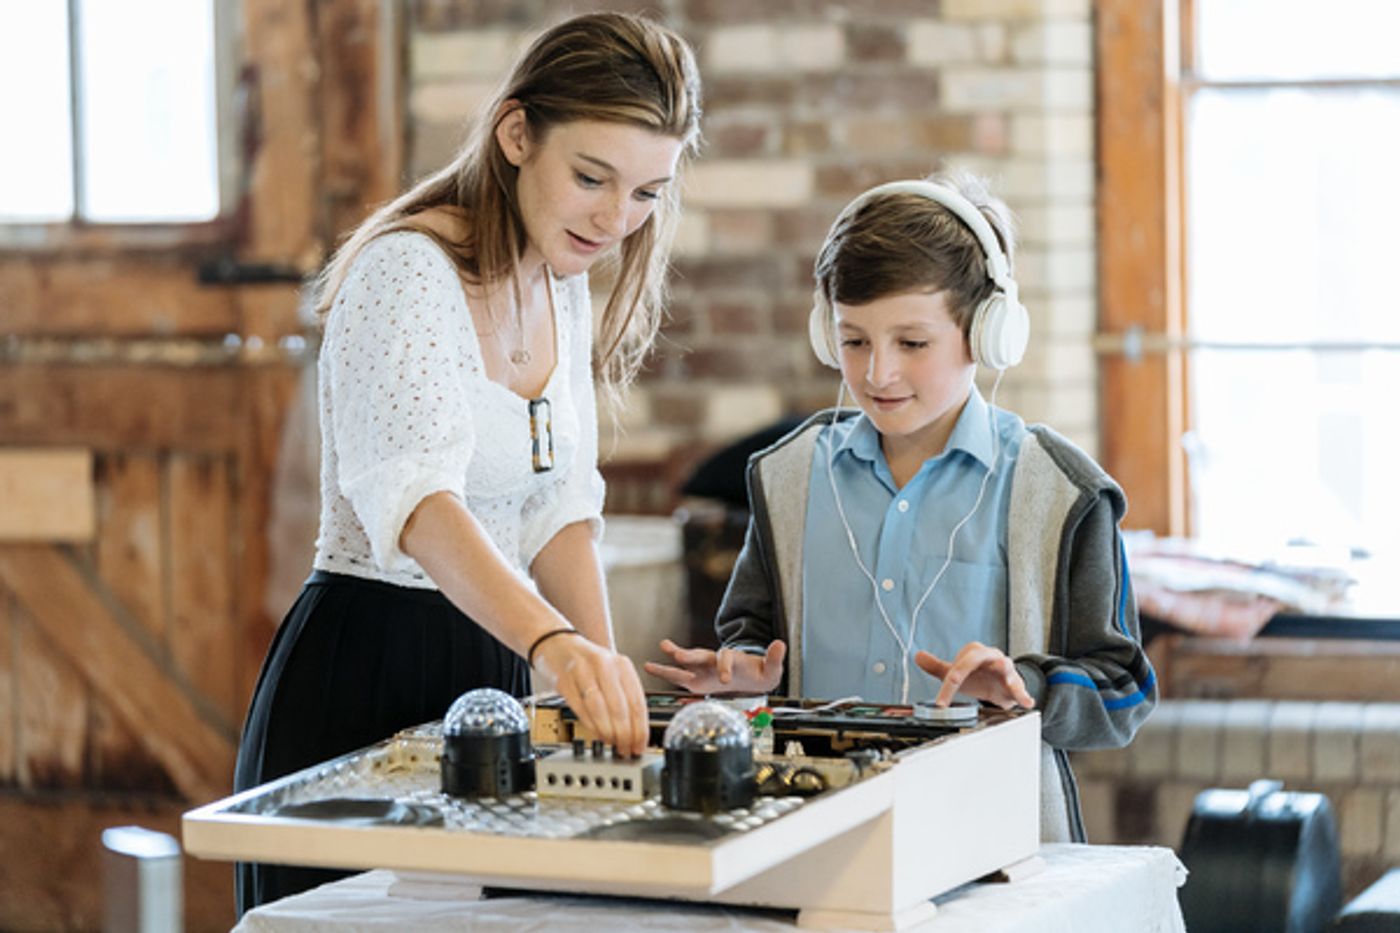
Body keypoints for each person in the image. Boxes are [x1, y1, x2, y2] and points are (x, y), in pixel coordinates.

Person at [234, 11, 702, 911]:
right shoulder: (408, 270)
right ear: (517, 133)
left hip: (494, 674)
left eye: (647, 192)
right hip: (367, 668)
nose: (616, 219)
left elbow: (561, 505)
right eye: (592, 177)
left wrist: (601, 674)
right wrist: (556, 647)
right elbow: (417, 505)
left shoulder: (558, 281)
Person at [647, 171, 1157, 842]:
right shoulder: (789, 476)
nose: (877, 372)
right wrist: (748, 672)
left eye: (912, 344)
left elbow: (1124, 690)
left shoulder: (1060, 491)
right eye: (853, 340)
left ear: (987, 332)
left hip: (994, 842)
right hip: (814, 834)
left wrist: (1023, 683)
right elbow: (753, 633)